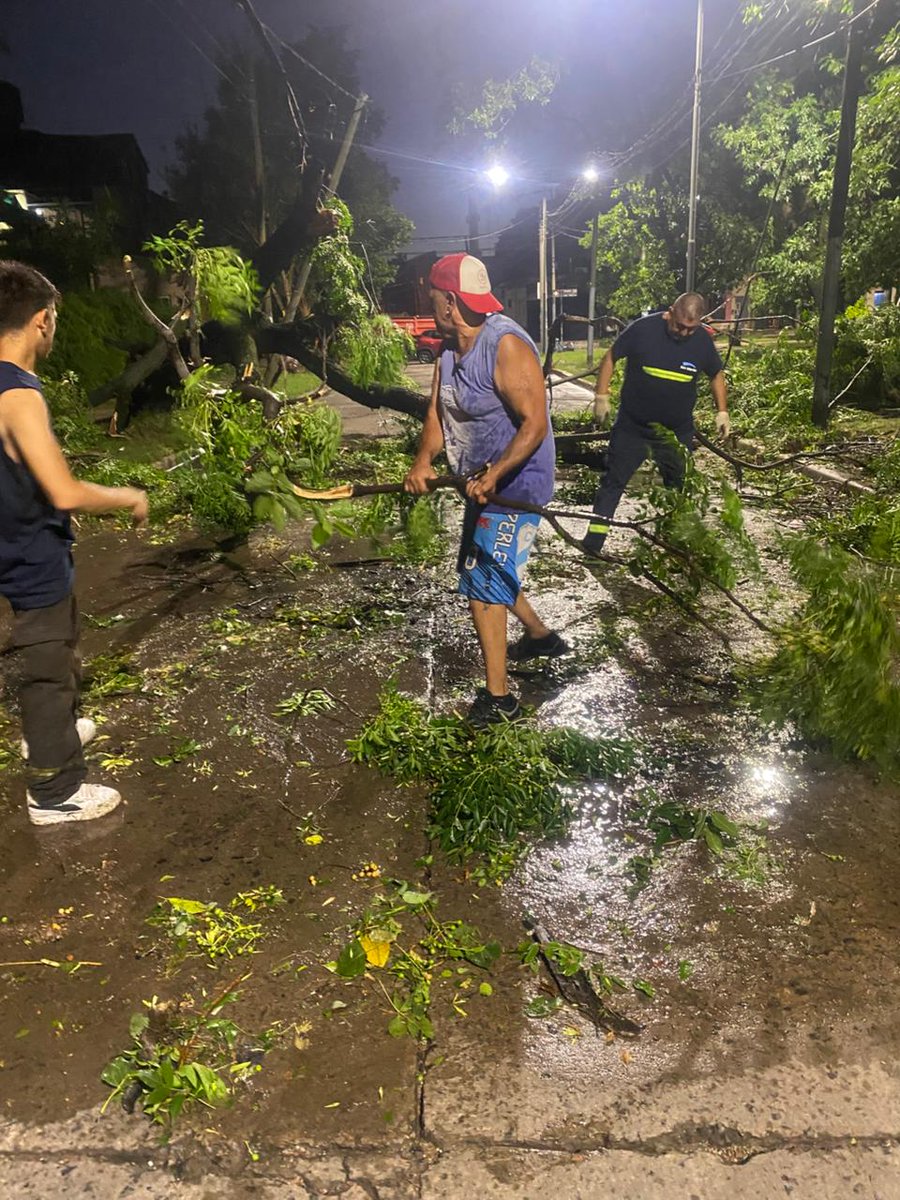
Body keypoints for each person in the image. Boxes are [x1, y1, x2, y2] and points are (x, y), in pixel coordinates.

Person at [0, 261, 148, 825]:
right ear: (41, 321)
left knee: (58, 656)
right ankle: (55, 791)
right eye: (54, 318)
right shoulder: (18, 395)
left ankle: (53, 733)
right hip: (31, 558)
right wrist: (126, 496)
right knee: (47, 667)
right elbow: (63, 490)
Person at [403, 253, 567, 727]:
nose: (429, 300)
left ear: (449, 300)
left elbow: (535, 424)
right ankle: (540, 637)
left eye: (432, 294)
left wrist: (494, 473)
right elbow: (438, 412)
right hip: (480, 484)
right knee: (483, 565)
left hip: (515, 485)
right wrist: (422, 461)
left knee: (482, 586)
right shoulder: (449, 348)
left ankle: (500, 700)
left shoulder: (505, 346)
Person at [583, 292, 730, 556]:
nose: (684, 333)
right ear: (670, 312)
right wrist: (601, 395)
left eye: (691, 329)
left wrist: (722, 412)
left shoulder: (701, 343)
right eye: (680, 326)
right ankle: (593, 546)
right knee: (613, 483)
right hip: (633, 427)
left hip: (675, 432)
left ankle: (674, 545)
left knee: (678, 487)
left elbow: (716, 374)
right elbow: (611, 357)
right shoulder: (644, 330)